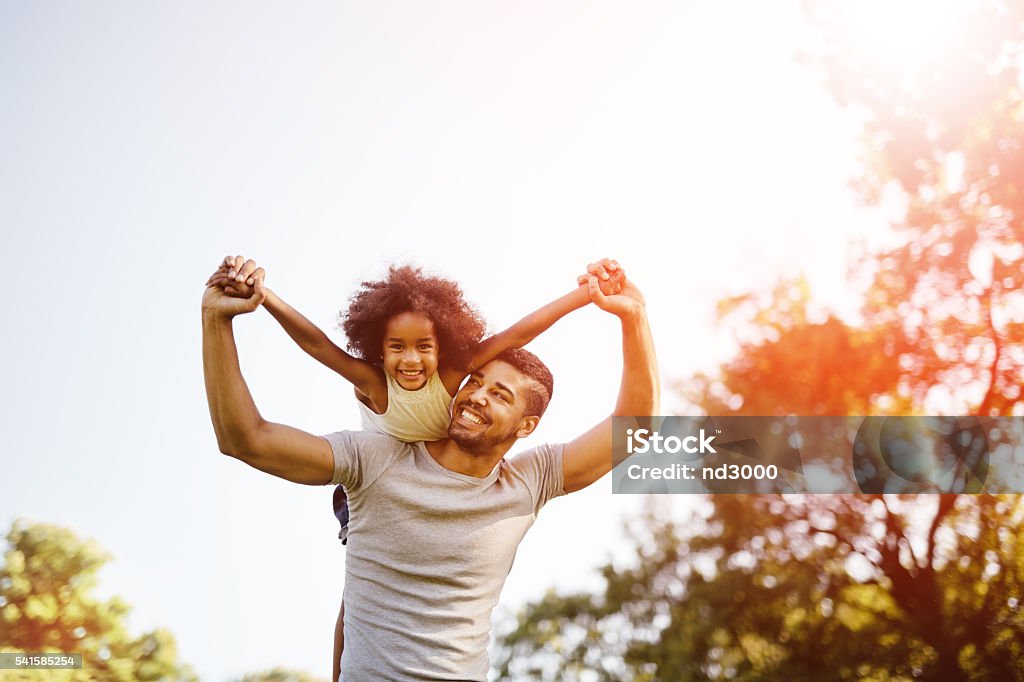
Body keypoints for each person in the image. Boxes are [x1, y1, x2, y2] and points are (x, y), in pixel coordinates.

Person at [202, 257, 658, 681]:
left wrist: (633, 318)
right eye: (476, 382)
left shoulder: (527, 481)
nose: (478, 395)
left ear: (527, 425)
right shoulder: (376, 458)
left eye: (501, 395)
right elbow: (247, 439)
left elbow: (637, 430)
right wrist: (217, 321)